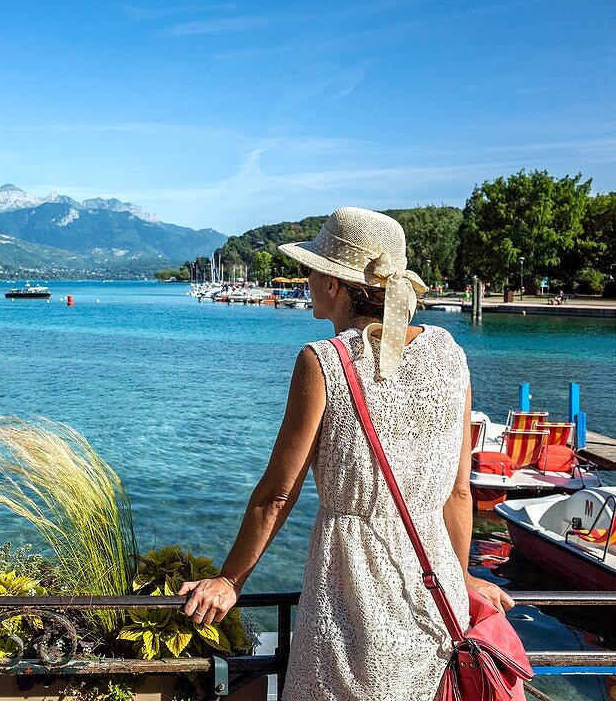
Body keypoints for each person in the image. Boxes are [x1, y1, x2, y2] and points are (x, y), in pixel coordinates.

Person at [179, 207, 513, 700]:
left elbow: (277, 494)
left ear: (335, 284)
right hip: (434, 599)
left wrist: (230, 579)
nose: (307, 277)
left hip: (353, 601)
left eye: (314, 268)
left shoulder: (323, 363)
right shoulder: (449, 353)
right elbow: (459, 491)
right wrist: (460, 574)